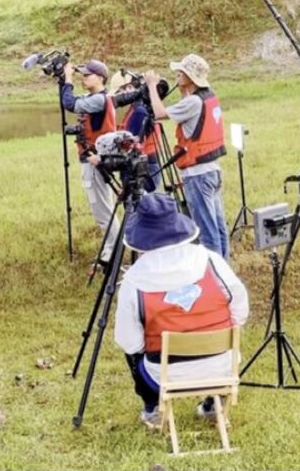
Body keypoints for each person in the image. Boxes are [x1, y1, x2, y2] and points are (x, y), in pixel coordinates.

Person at [114, 193, 249, 429]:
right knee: (226, 328)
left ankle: (153, 407)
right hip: (223, 367)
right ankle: (214, 401)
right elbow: (240, 310)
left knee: (132, 350)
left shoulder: (134, 280)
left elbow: (130, 343)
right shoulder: (212, 261)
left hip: (164, 376)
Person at [145, 55, 227, 259]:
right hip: (212, 171)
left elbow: (159, 113)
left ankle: (214, 278)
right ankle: (225, 270)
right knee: (218, 226)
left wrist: (151, 87)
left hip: (198, 175)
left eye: (181, 72)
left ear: (191, 77)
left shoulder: (192, 102)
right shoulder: (208, 97)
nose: (177, 75)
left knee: (207, 232)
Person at [61, 60, 120, 256]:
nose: (84, 78)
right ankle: (113, 248)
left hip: (95, 161)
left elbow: (69, 104)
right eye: (82, 75)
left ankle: (112, 253)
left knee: (102, 212)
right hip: (96, 159)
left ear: (101, 77)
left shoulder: (98, 100)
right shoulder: (96, 97)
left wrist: (67, 79)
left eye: (88, 75)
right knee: (106, 207)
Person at [111, 71, 163, 192]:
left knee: (140, 207)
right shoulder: (136, 108)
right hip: (144, 165)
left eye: (119, 93)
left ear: (129, 88)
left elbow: (128, 144)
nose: (119, 99)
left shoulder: (138, 112)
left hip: (143, 167)